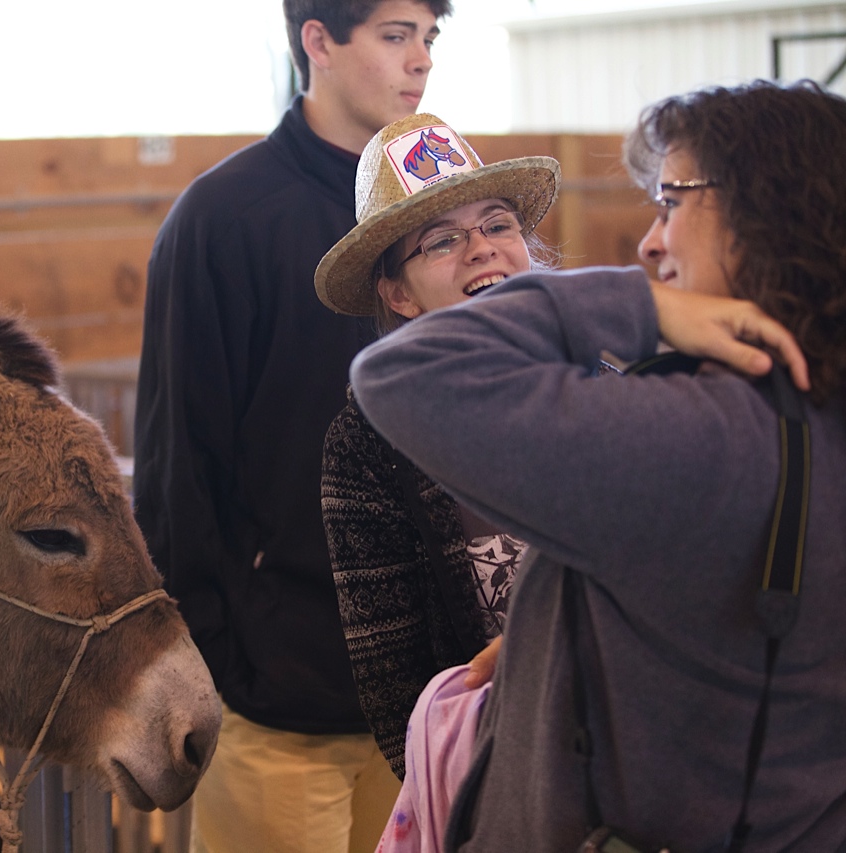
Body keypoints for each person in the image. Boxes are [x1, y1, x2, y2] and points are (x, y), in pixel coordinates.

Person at [350, 78, 843, 852]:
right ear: (396, 289)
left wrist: (635, 306)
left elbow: (396, 376)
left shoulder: (695, 438)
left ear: (767, 216)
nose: (649, 243)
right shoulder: (806, 413)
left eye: (672, 202)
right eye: (440, 240)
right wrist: (566, 632)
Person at [132, 1, 450, 851]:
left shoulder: (443, 216)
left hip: (423, 701)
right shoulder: (221, 218)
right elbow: (178, 464)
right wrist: (221, 663)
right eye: (395, 36)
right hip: (274, 699)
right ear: (319, 41)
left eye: (429, 38)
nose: (420, 61)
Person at [313, 112, 559, 789]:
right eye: (442, 240)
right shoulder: (369, 443)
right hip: (503, 791)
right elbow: (400, 697)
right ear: (399, 293)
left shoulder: (604, 377)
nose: (481, 248)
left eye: (498, 224)